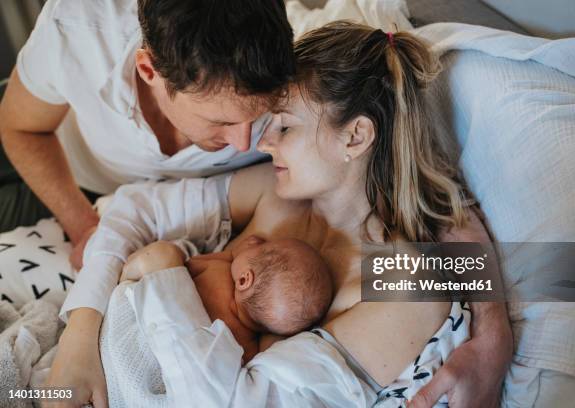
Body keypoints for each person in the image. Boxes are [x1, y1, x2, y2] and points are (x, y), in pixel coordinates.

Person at [48, 21, 513, 408]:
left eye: (284, 127)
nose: (260, 142)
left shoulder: (392, 276)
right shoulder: (280, 195)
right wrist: (80, 331)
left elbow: (571, 273)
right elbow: (136, 206)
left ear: (354, 138)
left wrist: (494, 332)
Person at [0, 0, 295, 267]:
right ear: (149, 70)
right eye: (221, 122)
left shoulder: (302, 80)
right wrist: (83, 226)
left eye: (256, 119)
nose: (243, 144)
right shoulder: (74, 29)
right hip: (72, 174)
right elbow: (22, 128)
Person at [120, 236, 333, 363]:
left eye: (262, 248)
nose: (257, 242)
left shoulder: (218, 270)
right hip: (168, 353)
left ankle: (123, 281)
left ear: (244, 279)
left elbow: (185, 266)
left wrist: (236, 252)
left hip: (144, 322)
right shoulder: (247, 346)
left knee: (163, 254)